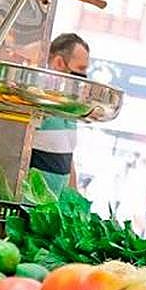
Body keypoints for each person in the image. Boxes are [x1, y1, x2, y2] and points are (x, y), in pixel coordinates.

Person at [29, 33, 89, 195]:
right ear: (58, 62)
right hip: (29, 201)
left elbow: (68, 156)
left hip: (55, 203)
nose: (84, 76)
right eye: (80, 69)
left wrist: (74, 197)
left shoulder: (69, 108)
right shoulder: (37, 100)